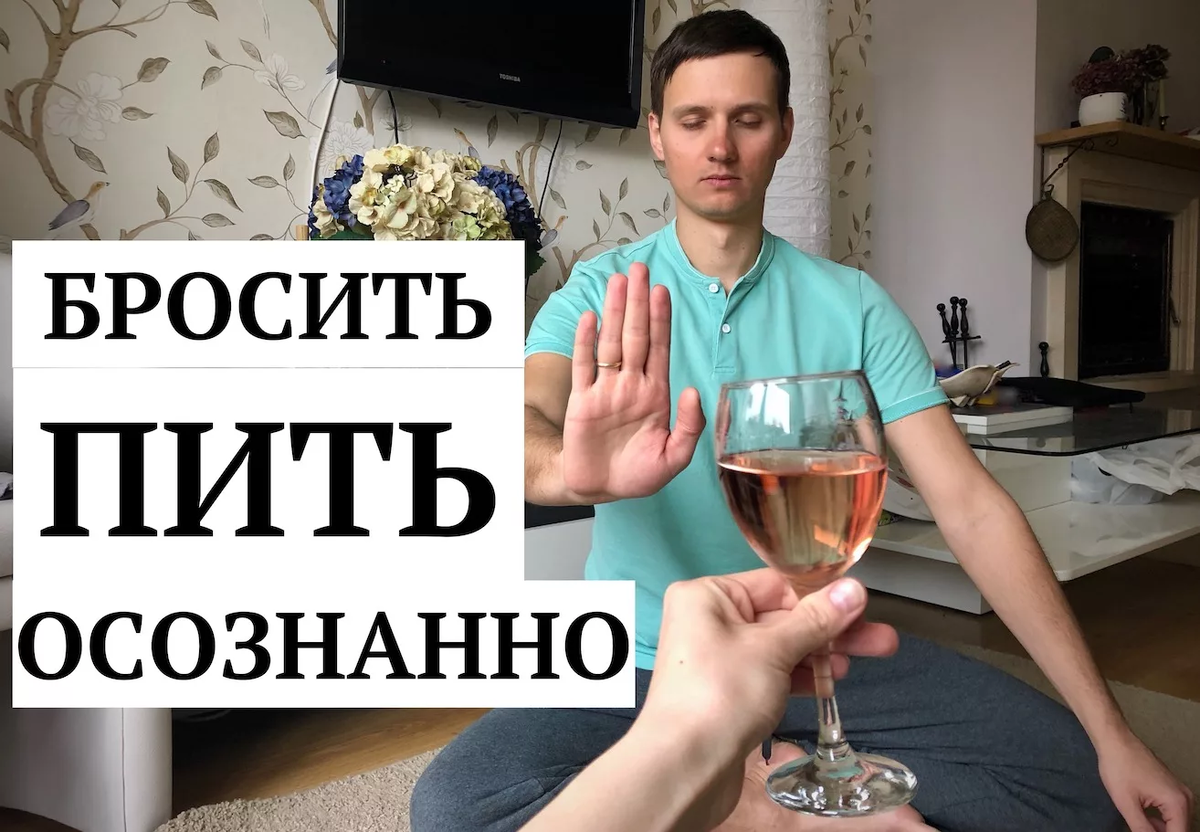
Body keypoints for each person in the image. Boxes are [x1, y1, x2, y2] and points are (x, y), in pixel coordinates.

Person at [411, 9, 1193, 832]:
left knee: (1088, 790)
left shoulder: (855, 305)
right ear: (657, 135)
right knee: (457, 807)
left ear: (783, 132)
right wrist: (570, 473)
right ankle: (766, 803)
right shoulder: (603, 292)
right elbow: (519, 416)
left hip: (819, 653)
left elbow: (970, 506)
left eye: (747, 119)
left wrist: (1112, 731)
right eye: (694, 120)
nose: (720, 146)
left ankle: (755, 776)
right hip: (639, 662)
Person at [519, 571, 902, 832]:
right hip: (621, 650)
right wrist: (694, 742)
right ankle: (757, 804)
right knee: (483, 798)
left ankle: (728, 787)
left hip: (811, 653)